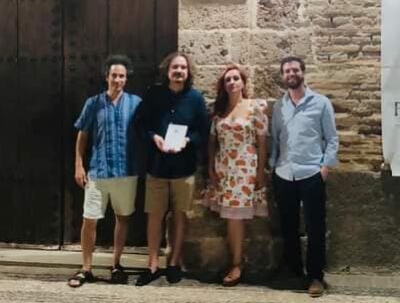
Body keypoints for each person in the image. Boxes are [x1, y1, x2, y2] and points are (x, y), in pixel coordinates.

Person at [135, 52, 209, 286]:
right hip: (156, 167)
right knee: (154, 216)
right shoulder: (153, 95)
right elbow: (140, 123)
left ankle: (174, 263)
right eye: (175, 67)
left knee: (179, 216)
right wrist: (154, 137)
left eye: (183, 68)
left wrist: (188, 140)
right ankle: (152, 264)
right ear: (167, 70)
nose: (179, 71)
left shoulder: (196, 99)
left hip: (184, 168)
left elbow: (203, 130)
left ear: (188, 72)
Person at [68, 55, 141, 287]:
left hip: (126, 171)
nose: (118, 80)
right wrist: (79, 164)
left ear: (126, 79)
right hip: (98, 171)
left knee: (123, 218)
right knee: (89, 219)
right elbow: (82, 135)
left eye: (122, 76)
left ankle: (116, 264)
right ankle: (86, 268)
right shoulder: (93, 103)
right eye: (114, 75)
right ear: (107, 77)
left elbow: (147, 130)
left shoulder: (136, 103)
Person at [269, 56, 338, 298]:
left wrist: (325, 167)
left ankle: (315, 275)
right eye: (287, 71)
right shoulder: (279, 107)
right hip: (283, 173)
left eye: (295, 70)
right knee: (288, 226)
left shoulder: (320, 103)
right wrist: (273, 165)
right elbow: (275, 139)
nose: (291, 74)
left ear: (302, 72)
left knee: (315, 226)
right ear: (283, 76)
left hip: (311, 173)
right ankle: (295, 270)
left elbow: (332, 138)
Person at [203, 64, 269, 287]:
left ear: (243, 83)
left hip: (245, 169)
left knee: (235, 218)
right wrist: (211, 168)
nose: (232, 82)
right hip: (224, 168)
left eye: (235, 78)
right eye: (228, 80)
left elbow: (262, 142)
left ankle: (237, 264)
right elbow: (212, 141)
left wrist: (260, 172)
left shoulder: (254, 108)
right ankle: (236, 261)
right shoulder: (219, 111)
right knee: (229, 217)